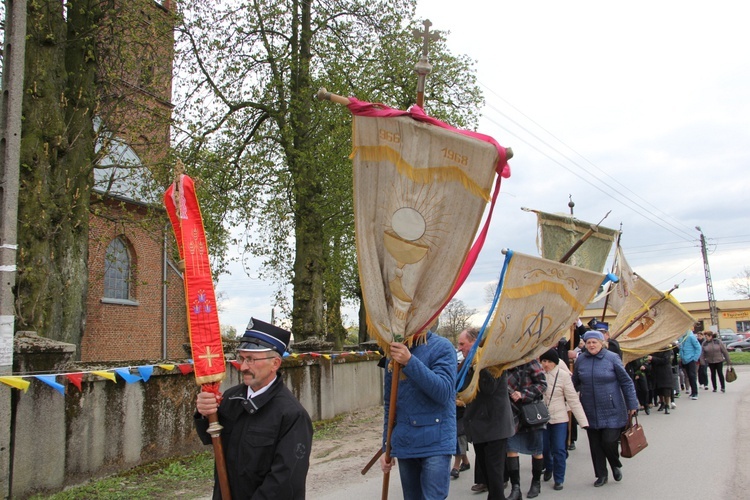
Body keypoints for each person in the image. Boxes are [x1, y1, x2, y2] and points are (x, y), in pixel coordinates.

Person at [195, 318, 313, 499]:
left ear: (275, 363)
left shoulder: (291, 414)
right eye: (241, 358)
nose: (242, 367)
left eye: (251, 359)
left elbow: (285, 479)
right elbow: (210, 437)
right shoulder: (230, 398)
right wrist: (205, 413)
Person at [379, 324, 457, 500]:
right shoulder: (393, 353)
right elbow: (390, 405)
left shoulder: (442, 347)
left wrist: (409, 361)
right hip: (406, 441)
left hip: (436, 441)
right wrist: (387, 446)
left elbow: (444, 392)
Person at [572, 330, 638, 488]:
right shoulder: (580, 360)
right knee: (595, 445)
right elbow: (574, 382)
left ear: (602, 343)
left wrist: (632, 404)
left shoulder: (612, 358)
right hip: (589, 408)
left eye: (594, 342)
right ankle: (601, 474)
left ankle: (615, 464)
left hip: (612, 408)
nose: (591, 345)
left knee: (608, 442)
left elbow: (626, 382)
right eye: (588, 342)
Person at [462, 329, 516, 500]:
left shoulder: (494, 362)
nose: (460, 348)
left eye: (463, 344)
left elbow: (489, 388)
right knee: (486, 473)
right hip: (478, 426)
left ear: (474, 343)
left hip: (494, 426)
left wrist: (479, 364)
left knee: (494, 474)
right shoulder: (467, 363)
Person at [539, 348, 588, 492]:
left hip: (559, 417)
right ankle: (549, 467)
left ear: (555, 363)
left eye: (549, 361)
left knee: (559, 448)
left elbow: (573, 399)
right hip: (542, 417)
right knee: (544, 448)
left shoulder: (564, 376)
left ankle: (559, 478)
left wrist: (583, 421)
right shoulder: (538, 375)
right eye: (544, 361)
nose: (546, 364)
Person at [505, 360, 548, 499]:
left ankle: (536, 483)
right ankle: (515, 488)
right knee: (511, 449)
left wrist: (523, 394)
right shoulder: (503, 365)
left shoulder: (530, 362)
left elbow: (542, 385)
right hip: (511, 413)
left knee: (536, 450)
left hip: (531, 412)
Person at [452, 329, 475, 480]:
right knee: (456, 436)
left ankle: (456, 466)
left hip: (466, 411)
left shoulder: (477, 365)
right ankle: (465, 462)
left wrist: (463, 400)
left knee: (459, 436)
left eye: (462, 344)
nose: (459, 348)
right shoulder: (461, 364)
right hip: (454, 408)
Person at [648, 348, 674, 414]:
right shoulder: (655, 349)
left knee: (666, 389)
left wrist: (652, 358)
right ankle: (662, 403)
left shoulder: (667, 349)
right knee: (658, 389)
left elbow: (665, 360)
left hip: (665, 372)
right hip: (656, 371)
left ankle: (667, 405)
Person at [679, 329, 702, 400]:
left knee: (692, 376)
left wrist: (695, 358)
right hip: (684, 360)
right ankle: (692, 392)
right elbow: (681, 348)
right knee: (688, 376)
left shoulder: (691, 337)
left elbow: (698, 348)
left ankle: (695, 393)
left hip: (691, 359)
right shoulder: (681, 337)